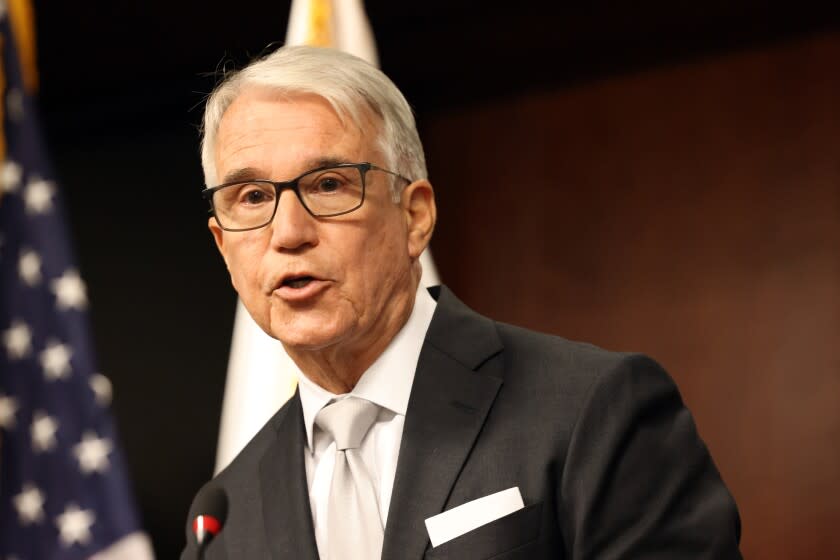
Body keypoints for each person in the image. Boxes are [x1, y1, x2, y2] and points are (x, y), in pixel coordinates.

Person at [182, 45, 742, 559]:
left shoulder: (592, 410)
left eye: (328, 184)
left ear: (414, 216)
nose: (288, 232)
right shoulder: (225, 512)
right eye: (252, 197)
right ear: (223, 246)